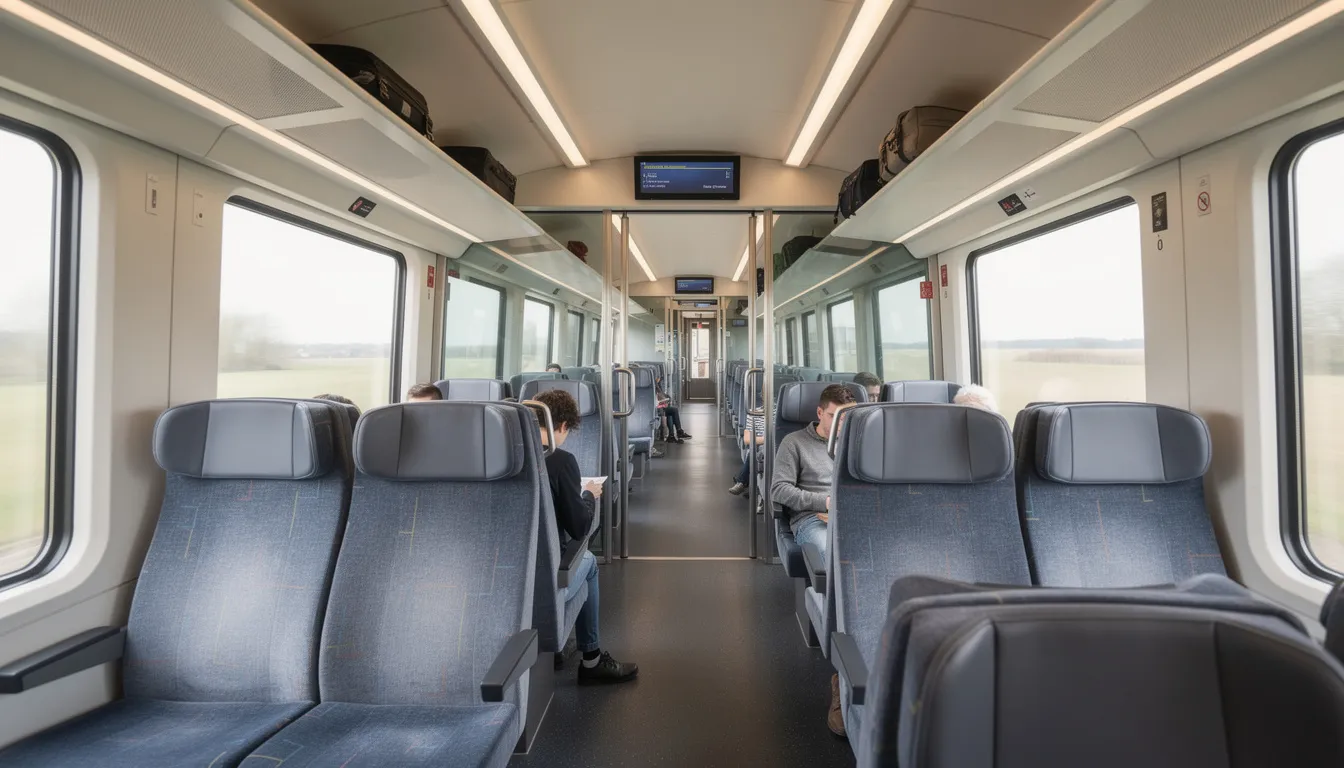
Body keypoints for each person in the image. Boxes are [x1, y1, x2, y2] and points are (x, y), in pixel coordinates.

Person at [533, 389, 639, 684]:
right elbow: (580, 528)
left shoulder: (500, 460)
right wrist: (588, 495)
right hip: (542, 585)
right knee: (589, 561)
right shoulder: (560, 461)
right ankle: (591, 660)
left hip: (498, 583)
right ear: (563, 426)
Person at [772, 384, 854, 739]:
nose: (840, 425)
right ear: (820, 413)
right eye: (835, 416)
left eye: (846, 418)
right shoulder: (794, 443)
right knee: (833, 565)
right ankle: (842, 677)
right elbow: (779, 491)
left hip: (856, 517)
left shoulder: (857, 442)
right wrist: (824, 504)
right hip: (812, 520)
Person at [728, 400, 773, 496]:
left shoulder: (783, 413)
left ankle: (742, 481)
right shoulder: (754, 412)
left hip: (779, 446)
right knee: (756, 452)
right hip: (762, 448)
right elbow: (747, 439)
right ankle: (744, 482)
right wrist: (767, 439)